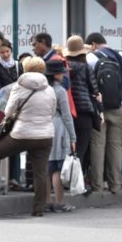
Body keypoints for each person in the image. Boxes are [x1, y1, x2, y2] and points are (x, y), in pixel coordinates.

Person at [0, 57, 55, 216]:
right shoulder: (49, 89)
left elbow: (8, 111)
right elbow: (52, 111)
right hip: (45, 135)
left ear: (25, 69)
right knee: (40, 172)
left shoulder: (19, 86)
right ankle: (39, 209)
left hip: (22, 133)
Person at [85, 32, 122, 195]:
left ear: (94, 45)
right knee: (116, 146)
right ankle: (115, 185)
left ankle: (97, 186)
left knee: (98, 145)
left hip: (99, 107)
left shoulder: (91, 58)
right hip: (119, 105)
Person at [63, 35, 102, 179]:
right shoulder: (85, 68)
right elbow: (95, 90)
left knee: (68, 146)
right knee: (82, 148)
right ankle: (76, 180)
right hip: (84, 112)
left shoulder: (63, 67)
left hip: (67, 111)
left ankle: (65, 177)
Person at [44, 60, 77, 213]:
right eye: (62, 72)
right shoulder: (60, 90)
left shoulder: (42, 89)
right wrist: (73, 137)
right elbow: (66, 115)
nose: (64, 75)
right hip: (58, 127)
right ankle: (59, 202)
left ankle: (46, 201)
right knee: (57, 166)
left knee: (46, 166)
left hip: (42, 126)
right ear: (56, 74)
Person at [0, 40, 23, 188]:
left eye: (7, 52)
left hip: (17, 108)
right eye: (2, 52)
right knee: (4, 141)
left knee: (17, 141)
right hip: (3, 108)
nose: (5, 55)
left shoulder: (17, 65)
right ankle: (4, 177)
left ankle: (14, 177)